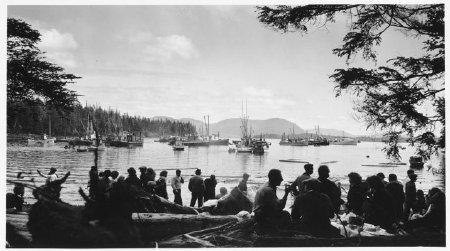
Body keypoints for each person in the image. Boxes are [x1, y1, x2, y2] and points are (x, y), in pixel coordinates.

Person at [253, 169, 291, 233]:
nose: (282, 179)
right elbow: (280, 207)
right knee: (286, 214)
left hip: (258, 214)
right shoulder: (269, 191)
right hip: (263, 217)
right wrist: (286, 194)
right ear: (274, 178)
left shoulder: (266, 186)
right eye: (280, 177)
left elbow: (275, 202)